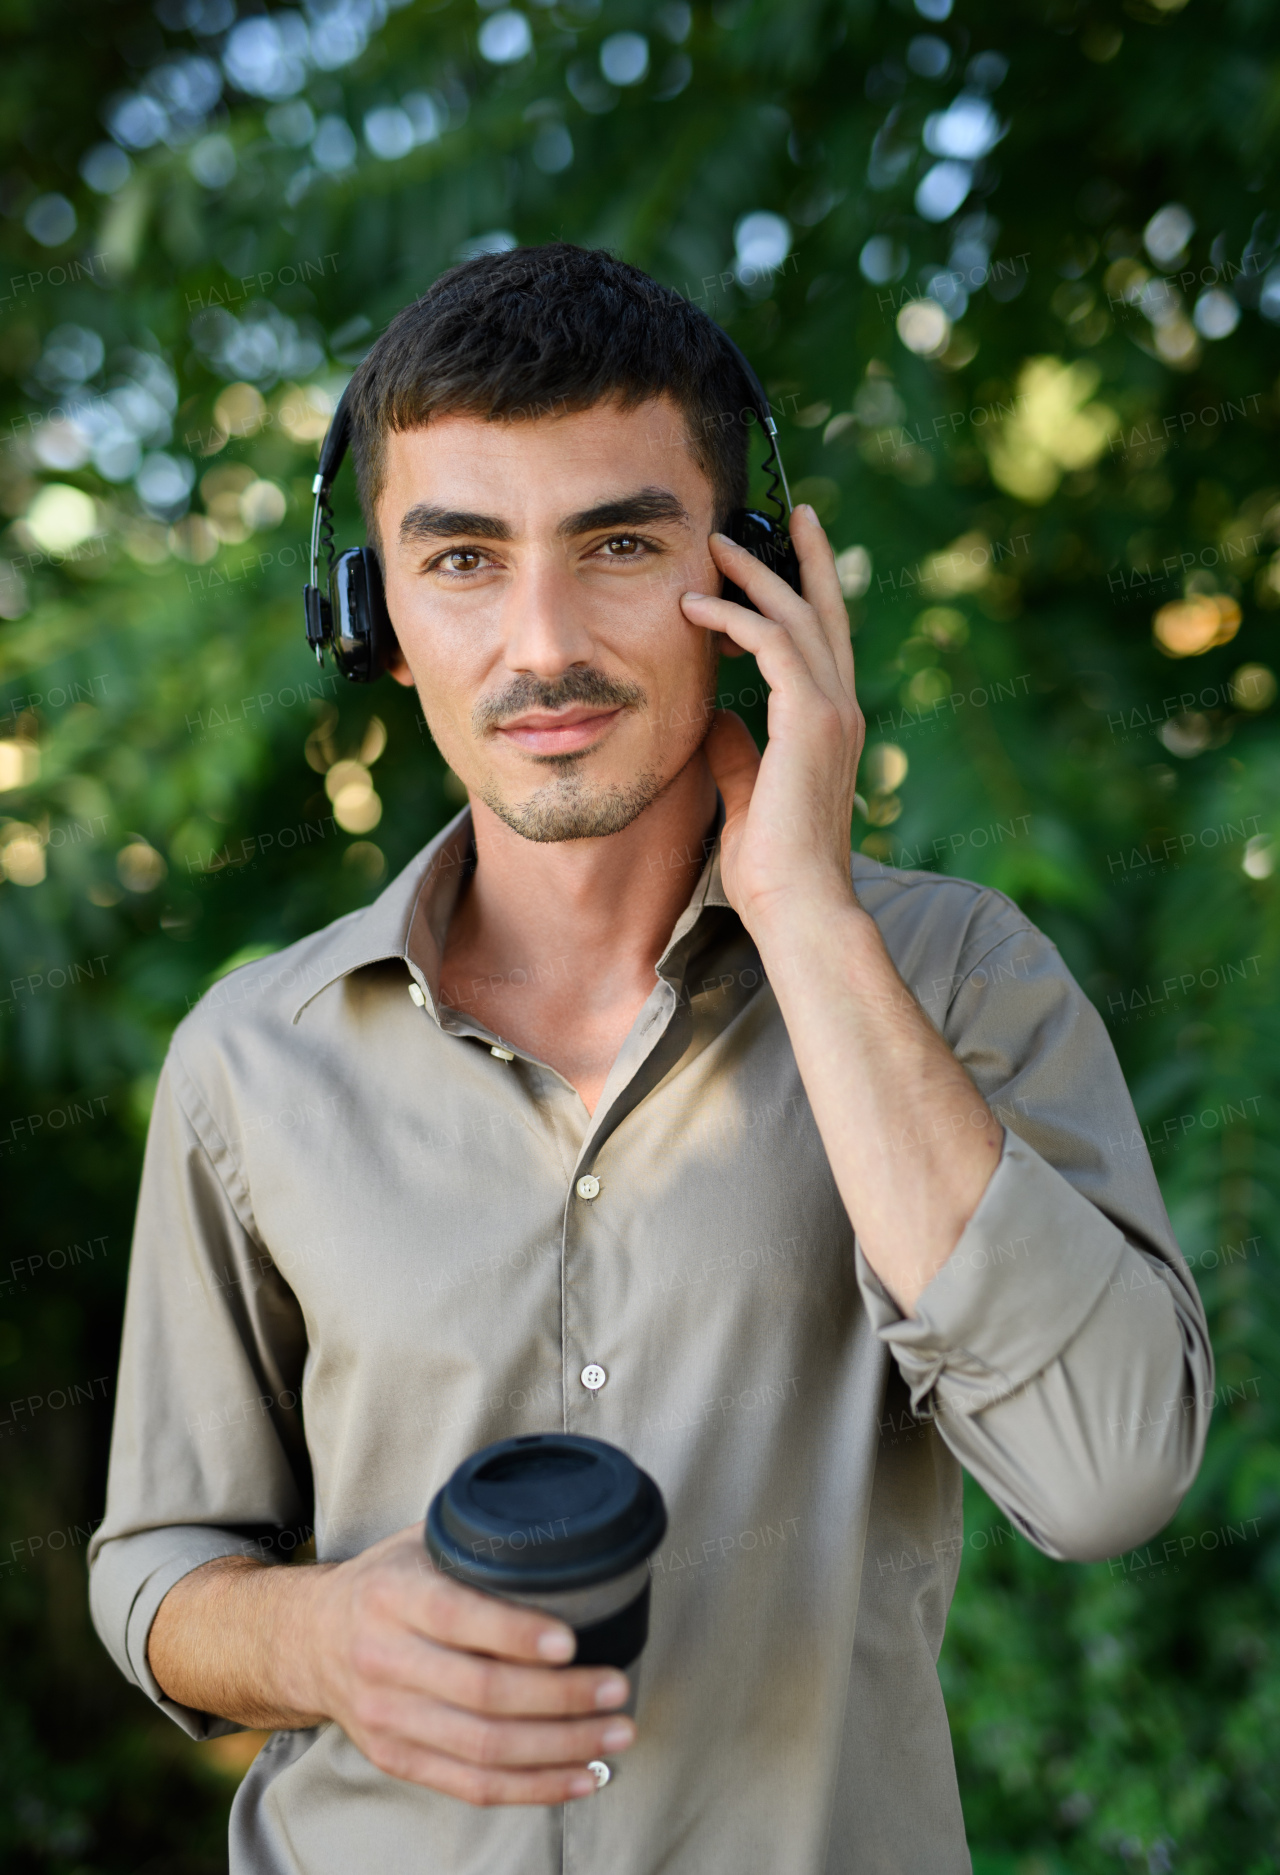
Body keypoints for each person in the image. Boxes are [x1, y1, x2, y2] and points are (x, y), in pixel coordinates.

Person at [88, 243, 1212, 1875]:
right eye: (462, 558)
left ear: (747, 575)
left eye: (617, 544)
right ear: (373, 619)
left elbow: (1108, 1475)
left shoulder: (957, 978)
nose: (543, 644)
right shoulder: (249, 1061)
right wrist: (320, 1641)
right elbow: (154, 1569)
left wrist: (812, 924)